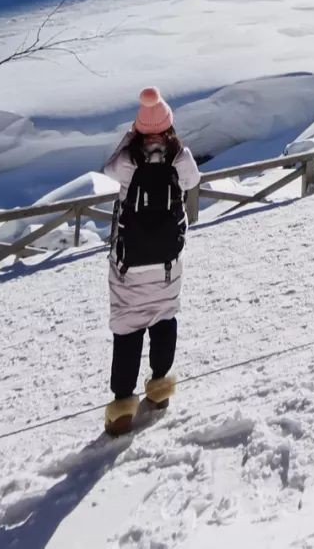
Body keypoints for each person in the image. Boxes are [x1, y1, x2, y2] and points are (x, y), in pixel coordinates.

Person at [103, 87, 201, 436]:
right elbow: (193, 181)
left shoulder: (129, 159)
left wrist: (132, 137)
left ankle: (121, 410)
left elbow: (109, 169)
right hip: (166, 265)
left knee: (128, 330)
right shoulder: (178, 156)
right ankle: (159, 392)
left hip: (128, 264)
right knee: (164, 319)